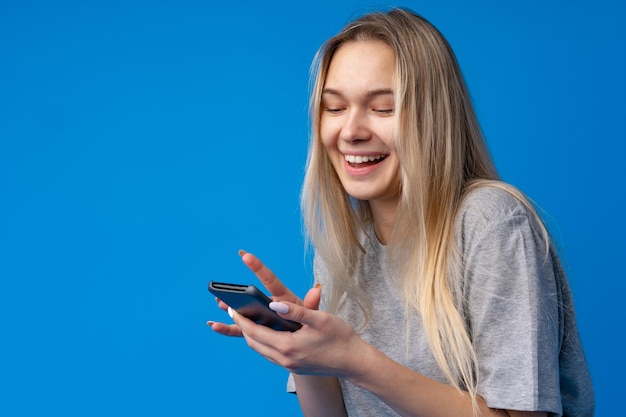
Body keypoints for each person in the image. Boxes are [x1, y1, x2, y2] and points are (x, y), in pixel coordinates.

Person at [208, 7, 594, 417]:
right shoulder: (346, 245)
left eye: (383, 108)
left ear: (434, 117)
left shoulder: (491, 222)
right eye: (335, 108)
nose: (351, 131)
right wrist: (305, 354)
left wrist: (357, 360)